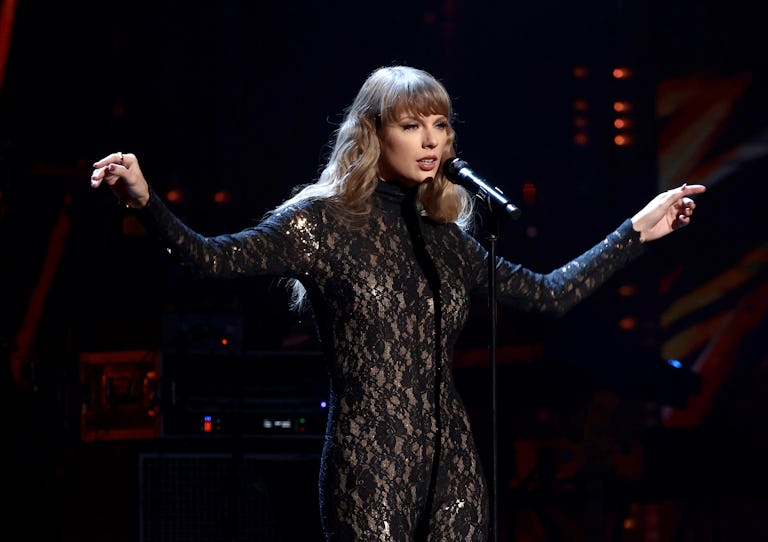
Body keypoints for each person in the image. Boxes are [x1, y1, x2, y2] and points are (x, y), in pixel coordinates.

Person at [90, 65, 705, 541]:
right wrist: (144, 201)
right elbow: (210, 260)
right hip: (370, 462)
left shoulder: (445, 237)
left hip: (453, 461)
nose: (430, 140)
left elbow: (547, 294)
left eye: (440, 125)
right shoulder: (324, 222)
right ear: (374, 133)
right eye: (411, 125)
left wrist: (635, 233)